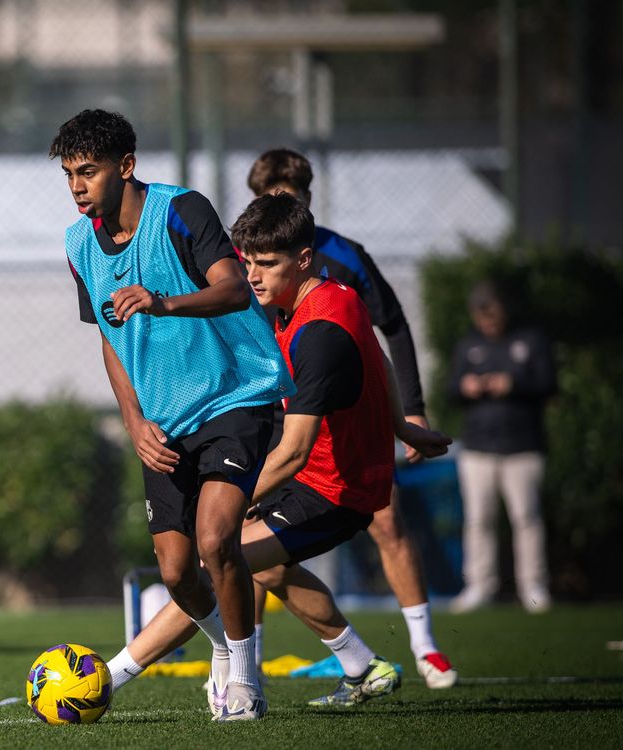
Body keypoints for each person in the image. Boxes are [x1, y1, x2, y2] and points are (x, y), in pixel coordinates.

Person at [103, 193, 452, 711]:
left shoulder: (316, 335)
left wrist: (234, 500)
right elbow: (376, 356)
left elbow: (293, 451)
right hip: (319, 476)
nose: (253, 276)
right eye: (246, 262)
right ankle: (363, 666)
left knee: (217, 556)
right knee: (266, 567)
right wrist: (401, 425)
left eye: (268, 264)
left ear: (304, 260)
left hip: (335, 491)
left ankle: (107, 677)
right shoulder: (334, 296)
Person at [53, 109, 297, 721]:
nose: (78, 186)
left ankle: (244, 678)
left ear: (126, 166)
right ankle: (222, 644)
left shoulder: (183, 210)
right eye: (68, 174)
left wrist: (160, 303)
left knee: (217, 539)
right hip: (164, 418)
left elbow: (235, 288)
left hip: (236, 395)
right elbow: (109, 341)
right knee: (178, 573)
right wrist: (135, 423)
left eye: (88, 171)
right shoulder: (78, 242)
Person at [245, 148, 458, 688]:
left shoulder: (342, 260)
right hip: (274, 412)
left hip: (342, 418)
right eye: (267, 204)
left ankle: (425, 647)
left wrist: (407, 414)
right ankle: (244, 666)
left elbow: (389, 331)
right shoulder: (243, 262)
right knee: (250, 547)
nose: (259, 268)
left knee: (386, 521)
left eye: (288, 204)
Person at [449, 281, 556, 613]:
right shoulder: (469, 345)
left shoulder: (530, 339)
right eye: (482, 316)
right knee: (478, 519)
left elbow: (549, 384)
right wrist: (466, 386)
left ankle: (533, 587)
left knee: (526, 518)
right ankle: (479, 586)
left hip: (523, 447)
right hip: (479, 447)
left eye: (493, 313)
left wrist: (513, 384)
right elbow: (450, 388)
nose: (488, 322)